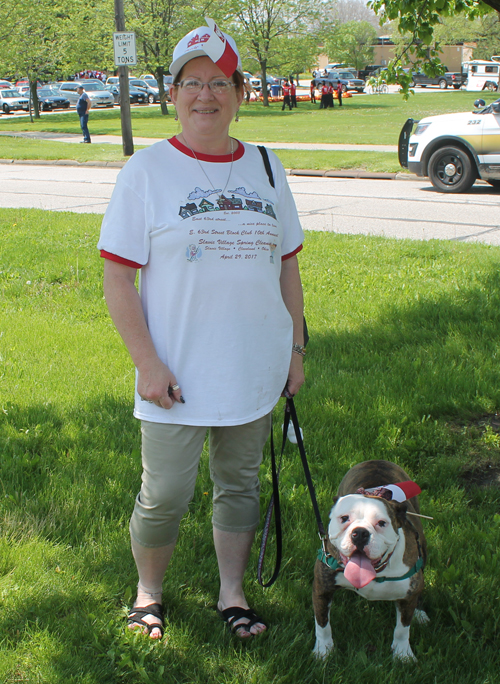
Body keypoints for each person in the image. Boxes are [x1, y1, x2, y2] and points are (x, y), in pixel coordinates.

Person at [98, 18, 305, 642]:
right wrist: (147, 363)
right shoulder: (146, 172)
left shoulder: (268, 168)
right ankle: (148, 594)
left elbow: (288, 269)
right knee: (162, 495)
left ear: (240, 94)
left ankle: (232, 595)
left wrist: (294, 350)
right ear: (173, 93)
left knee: (239, 486)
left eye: (219, 82)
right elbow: (117, 280)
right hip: (176, 375)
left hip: (253, 366)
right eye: (192, 82)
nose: (205, 95)